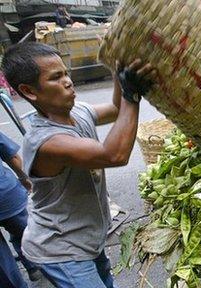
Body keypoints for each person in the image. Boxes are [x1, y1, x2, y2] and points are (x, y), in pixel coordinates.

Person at [1, 42, 156, 287]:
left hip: (87, 239)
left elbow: (117, 109)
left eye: (66, 73)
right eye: (56, 77)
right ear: (29, 91)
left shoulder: (78, 111)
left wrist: (120, 71)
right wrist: (131, 94)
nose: (68, 81)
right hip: (60, 249)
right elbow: (114, 155)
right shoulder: (46, 142)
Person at [0, 132, 42, 288]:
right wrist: (25, 178)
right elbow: (12, 157)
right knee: (26, 232)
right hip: (5, 195)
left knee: (2, 261)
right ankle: (34, 265)